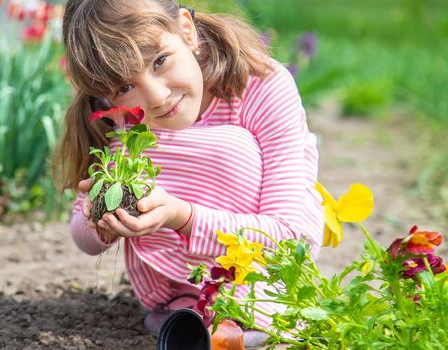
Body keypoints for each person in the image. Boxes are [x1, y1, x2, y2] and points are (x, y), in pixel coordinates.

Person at [53, 0, 324, 346]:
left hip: (263, 274)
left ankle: (237, 317)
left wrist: (182, 217)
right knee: (133, 154)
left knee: (231, 148)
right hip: (170, 292)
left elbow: (292, 238)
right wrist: (102, 214)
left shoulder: (260, 87)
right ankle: (195, 312)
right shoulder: (123, 119)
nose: (158, 97)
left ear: (186, 30)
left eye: (160, 61)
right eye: (124, 87)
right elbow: (82, 236)